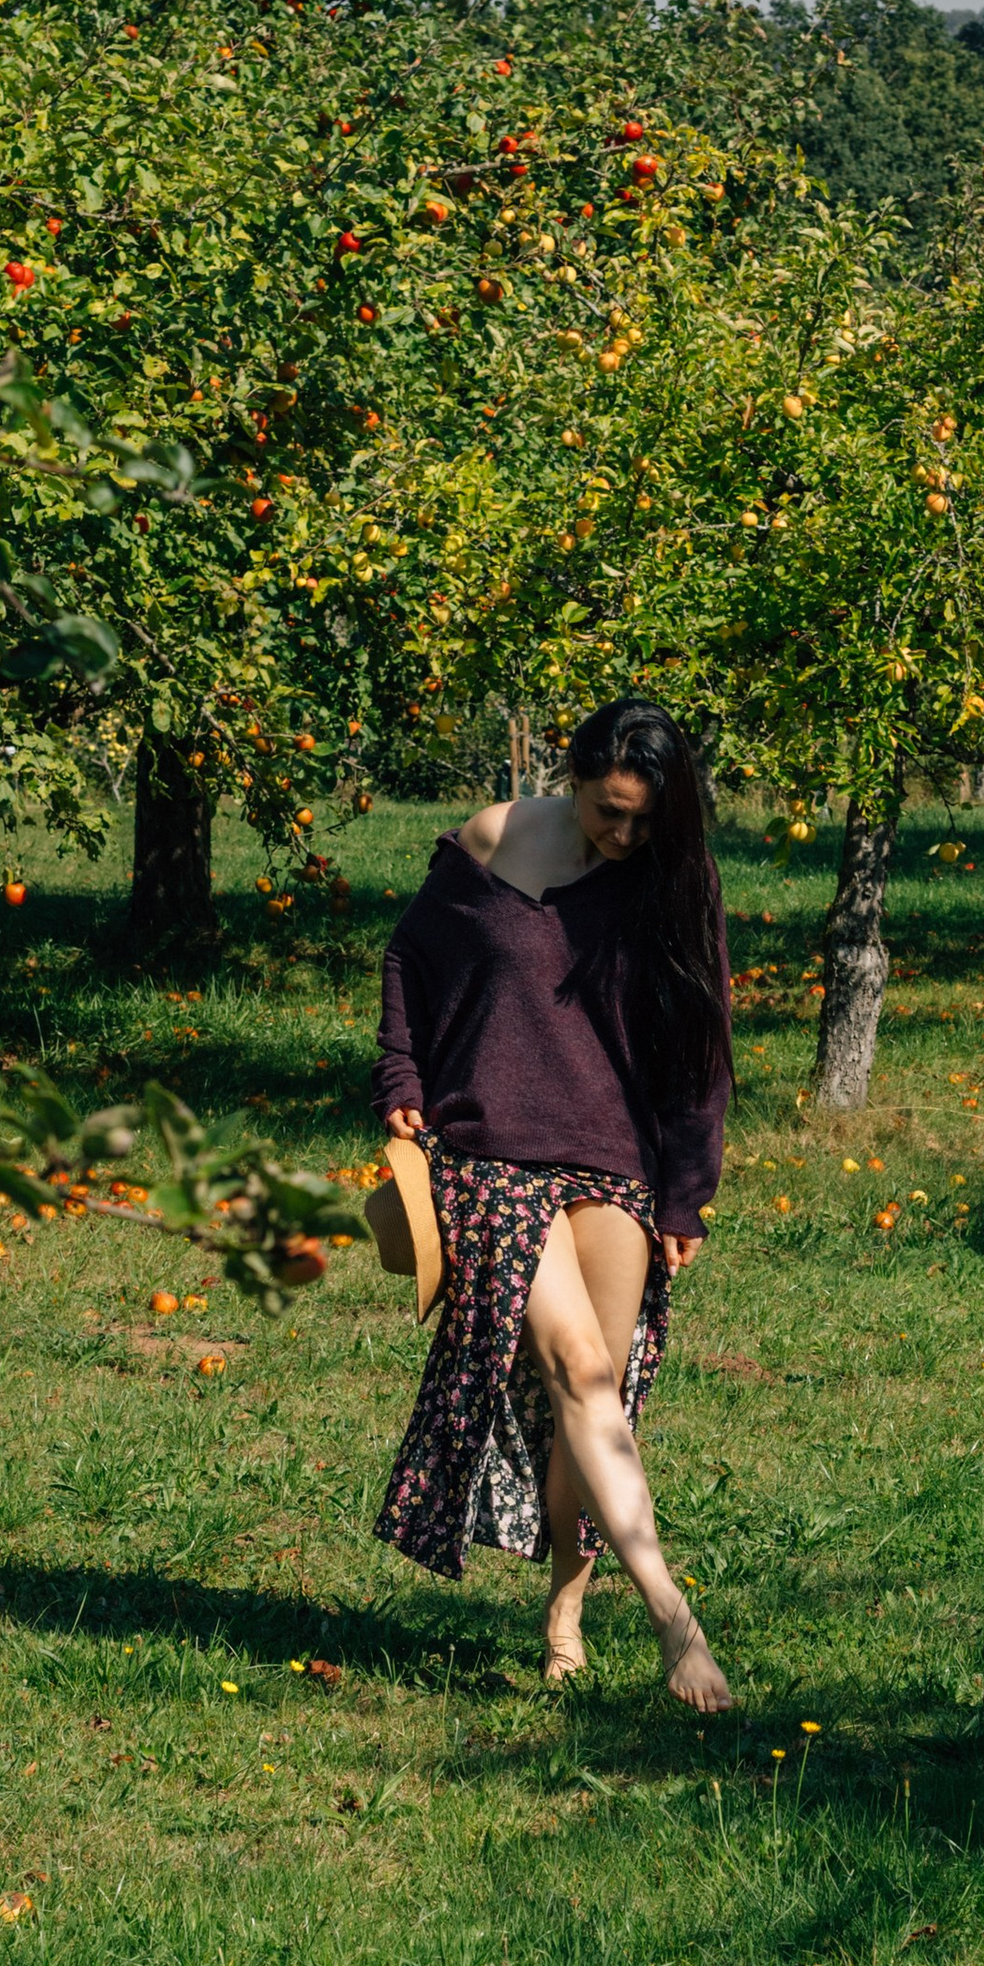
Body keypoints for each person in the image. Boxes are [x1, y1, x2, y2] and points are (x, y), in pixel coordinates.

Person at [371, 694, 733, 1711]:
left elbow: (702, 1047)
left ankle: (563, 1613)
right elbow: (408, 959)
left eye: (640, 819)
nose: (620, 834)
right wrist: (400, 1081)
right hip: (487, 1155)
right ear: (571, 776)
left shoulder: (675, 879)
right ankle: (673, 1616)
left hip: (612, 1163)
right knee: (576, 1366)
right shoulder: (492, 839)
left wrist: (685, 1197)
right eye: (605, 809)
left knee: (600, 1397)